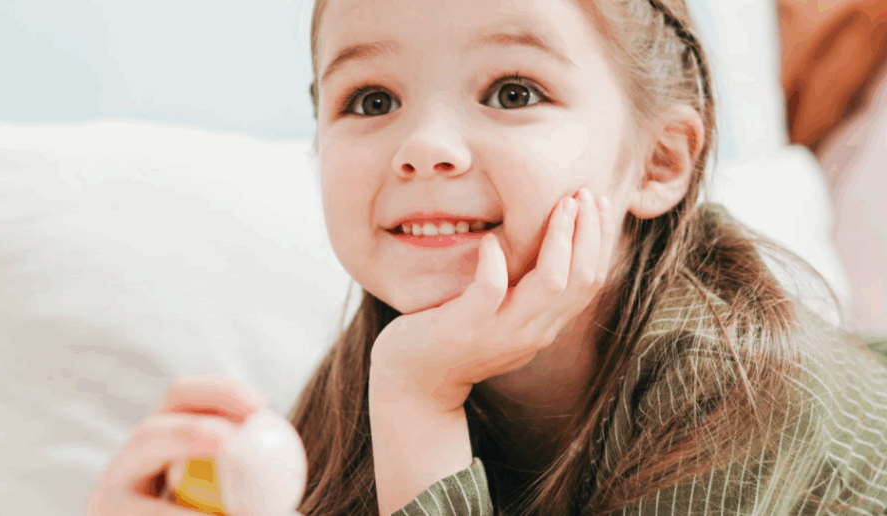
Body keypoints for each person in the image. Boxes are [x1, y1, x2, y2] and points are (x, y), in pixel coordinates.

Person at [88, 0, 887, 514]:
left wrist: (417, 407)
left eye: (512, 91)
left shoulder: (738, 387)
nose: (424, 147)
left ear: (659, 164)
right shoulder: (385, 361)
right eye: (371, 100)